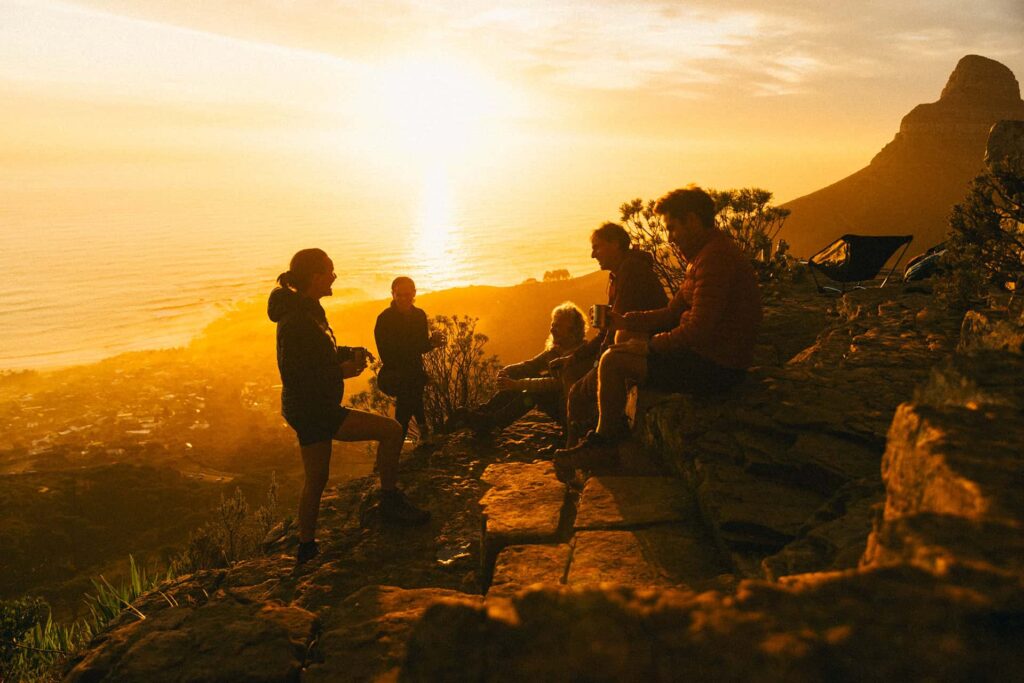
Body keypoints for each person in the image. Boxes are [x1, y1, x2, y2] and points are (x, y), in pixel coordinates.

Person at [554, 186, 762, 480]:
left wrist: (650, 346)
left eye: (673, 227)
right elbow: (670, 312)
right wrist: (624, 321)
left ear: (692, 220)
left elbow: (698, 329)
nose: (670, 237)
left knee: (613, 361)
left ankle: (605, 442)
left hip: (716, 366)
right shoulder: (703, 257)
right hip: (708, 355)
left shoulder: (715, 260)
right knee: (622, 341)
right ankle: (611, 430)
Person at [268, 249, 430, 566]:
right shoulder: (297, 320)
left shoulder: (306, 309)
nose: (334, 276)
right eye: (330, 271)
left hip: (306, 409)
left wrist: (347, 351)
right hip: (316, 410)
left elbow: (319, 353)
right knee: (391, 431)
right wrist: (340, 371)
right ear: (316, 276)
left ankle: (306, 547)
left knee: (317, 478)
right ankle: (389, 501)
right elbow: (295, 373)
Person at [554, 222, 667, 447]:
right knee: (571, 369)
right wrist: (577, 356)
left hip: (638, 350)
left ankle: (582, 448)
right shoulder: (621, 274)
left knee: (577, 393)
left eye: (597, 247)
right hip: (626, 345)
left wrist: (595, 364)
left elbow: (615, 329)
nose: (593, 254)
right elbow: (609, 329)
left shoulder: (631, 272)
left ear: (615, 244)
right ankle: (578, 436)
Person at [453, 302, 587, 434]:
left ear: (572, 330)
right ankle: (483, 413)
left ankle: (494, 423)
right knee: (521, 374)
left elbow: (554, 384)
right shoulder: (556, 350)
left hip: (568, 412)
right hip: (558, 403)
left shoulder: (580, 355)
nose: (552, 330)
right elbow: (531, 365)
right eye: (552, 325)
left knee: (534, 392)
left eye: (558, 326)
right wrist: (507, 371)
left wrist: (516, 385)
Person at [374, 277, 445, 440]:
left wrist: (432, 343)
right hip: (394, 374)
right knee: (411, 389)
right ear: (393, 294)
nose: (403, 299)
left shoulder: (419, 315)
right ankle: (421, 431)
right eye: (399, 295)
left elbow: (421, 346)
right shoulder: (385, 319)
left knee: (410, 395)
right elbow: (387, 355)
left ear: (414, 293)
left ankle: (409, 437)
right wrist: (419, 348)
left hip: (413, 374)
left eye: (407, 294)